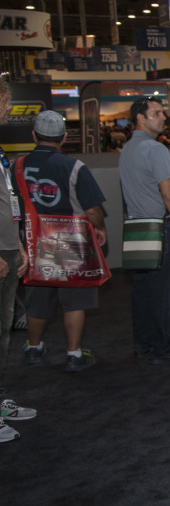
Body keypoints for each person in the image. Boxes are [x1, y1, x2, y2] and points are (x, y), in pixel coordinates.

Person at [17, 111, 107, 373]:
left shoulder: (17, 166)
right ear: (64, 138)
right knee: (75, 299)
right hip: (70, 240)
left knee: (37, 297)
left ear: (33, 135)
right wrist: (99, 228)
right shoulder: (74, 167)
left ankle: (34, 348)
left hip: (33, 240)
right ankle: (74, 354)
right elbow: (91, 209)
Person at [119, 97, 170, 362]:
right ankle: (162, 347)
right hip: (161, 227)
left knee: (142, 290)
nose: (164, 117)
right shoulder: (156, 149)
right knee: (161, 292)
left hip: (137, 226)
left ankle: (143, 343)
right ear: (141, 117)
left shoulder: (127, 149)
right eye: (157, 112)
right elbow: (168, 191)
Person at [0, 78, 33, 442]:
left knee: (3, 333)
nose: (9, 108)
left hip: (9, 247)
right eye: (5, 102)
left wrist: (17, 245)